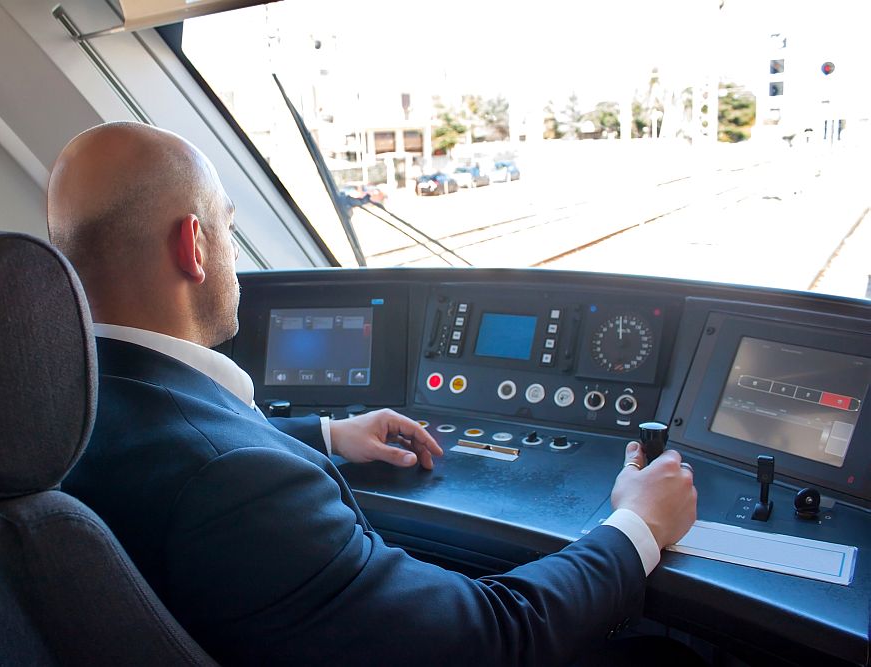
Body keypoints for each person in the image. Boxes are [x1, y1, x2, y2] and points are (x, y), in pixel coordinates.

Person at [47, 121, 698, 667]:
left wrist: (327, 435)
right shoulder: (238, 486)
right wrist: (636, 525)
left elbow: (169, 444)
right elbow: (494, 636)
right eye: (228, 227)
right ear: (194, 245)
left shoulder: (41, 408)